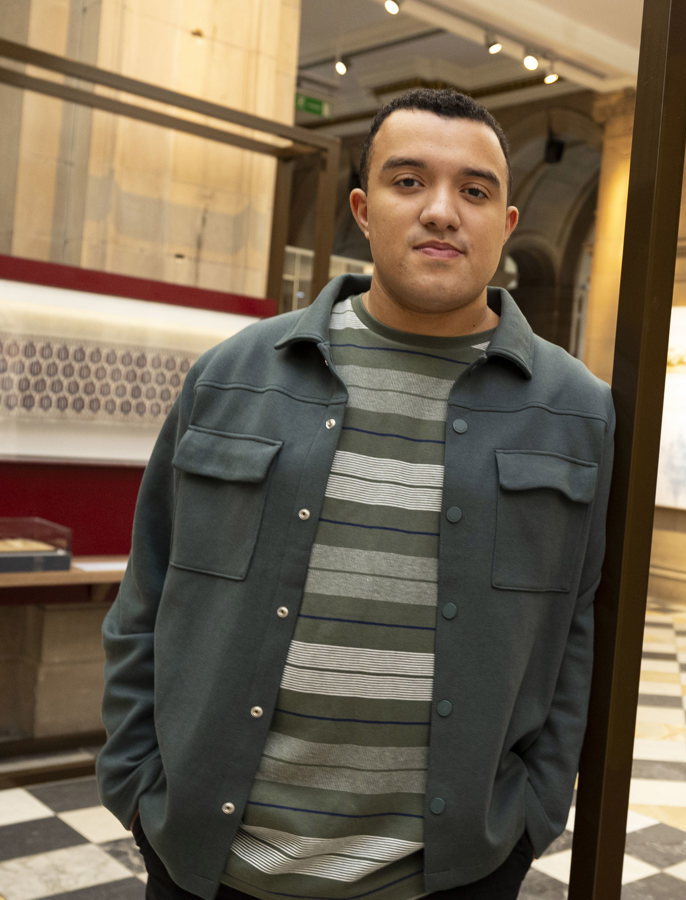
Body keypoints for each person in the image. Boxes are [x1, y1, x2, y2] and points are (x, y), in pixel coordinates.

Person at [98, 88, 614, 899]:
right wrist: (137, 783)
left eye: (474, 191)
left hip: (449, 874)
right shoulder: (233, 377)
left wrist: (530, 815)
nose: (443, 211)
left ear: (506, 224)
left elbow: (575, 630)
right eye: (410, 183)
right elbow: (147, 594)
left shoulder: (574, 410)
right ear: (364, 211)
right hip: (212, 863)